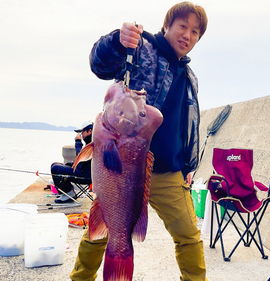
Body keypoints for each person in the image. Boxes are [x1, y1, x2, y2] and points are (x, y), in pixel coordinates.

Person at [71, 2, 208, 280]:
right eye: (183, 26)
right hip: (122, 168)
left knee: (189, 236)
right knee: (99, 231)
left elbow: (186, 126)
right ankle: (80, 278)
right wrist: (117, 41)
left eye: (195, 32)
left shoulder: (189, 76)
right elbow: (100, 64)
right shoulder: (142, 47)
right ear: (167, 25)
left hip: (169, 172)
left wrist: (189, 164)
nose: (188, 36)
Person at [51, 123, 93, 204]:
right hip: (85, 171)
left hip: (86, 176)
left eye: (82, 132)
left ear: (90, 131)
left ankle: (68, 194)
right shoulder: (92, 142)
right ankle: (67, 191)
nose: (81, 135)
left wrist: (78, 142)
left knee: (55, 168)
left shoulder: (93, 144)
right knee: (59, 165)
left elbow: (81, 158)